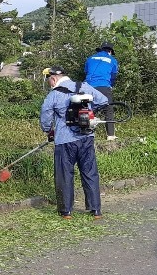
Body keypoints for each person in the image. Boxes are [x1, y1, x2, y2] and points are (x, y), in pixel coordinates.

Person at [40, 66, 108, 220]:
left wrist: (48, 130)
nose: (49, 84)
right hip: (87, 137)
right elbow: (103, 100)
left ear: (53, 78)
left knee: (64, 174)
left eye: (49, 81)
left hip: (65, 140)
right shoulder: (84, 86)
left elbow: (45, 114)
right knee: (90, 173)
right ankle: (95, 210)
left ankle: (66, 212)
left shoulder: (55, 94)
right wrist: (89, 114)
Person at [84, 41, 119, 140]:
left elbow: (86, 72)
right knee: (108, 109)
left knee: (88, 109)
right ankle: (110, 135)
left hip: (88, 86)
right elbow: (113, 76)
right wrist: (110, 85)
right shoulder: (112, 60)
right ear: (110, 51)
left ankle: (87, 134)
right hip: (103, 85)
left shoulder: (90, 58)